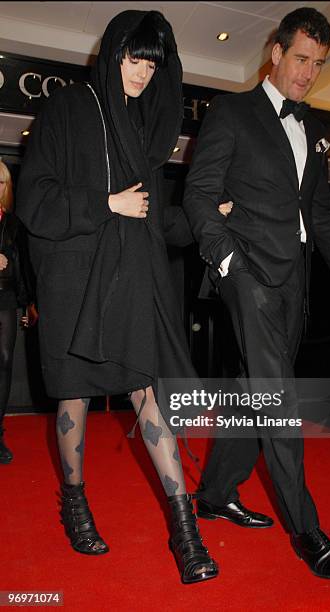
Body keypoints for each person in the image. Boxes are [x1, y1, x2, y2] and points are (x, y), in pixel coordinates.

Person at [16, 10, 219, 584]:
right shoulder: (65, 108)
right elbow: (36, 202)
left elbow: (153, 220)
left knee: (147, 391)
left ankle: (185, 533)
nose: (142, 72)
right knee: (74, 398)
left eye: (151, 63)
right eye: (133, 58)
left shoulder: (141, 129)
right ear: (112, 55)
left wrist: (208, 222)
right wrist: (107, 203)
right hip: (72, 280)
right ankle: (75, 505)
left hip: (128, 278)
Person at [183, 7, 330, 580]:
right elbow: (197, 193)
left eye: (318, 63)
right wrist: (229, 258)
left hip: (294, 282)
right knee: (279, 398)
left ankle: (214, 494)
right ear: (276, 52)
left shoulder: (311, 130)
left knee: (251, 393)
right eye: (301, 59)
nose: (309, 72)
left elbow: (320, 212)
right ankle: (307, 530)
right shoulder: (233, 112)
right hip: (247, 274)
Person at [0, 160, 36, 464]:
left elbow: (23, 265)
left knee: (4, 360)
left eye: (0, 183)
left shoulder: (13, 223)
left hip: (6, 296)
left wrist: (27, 303)